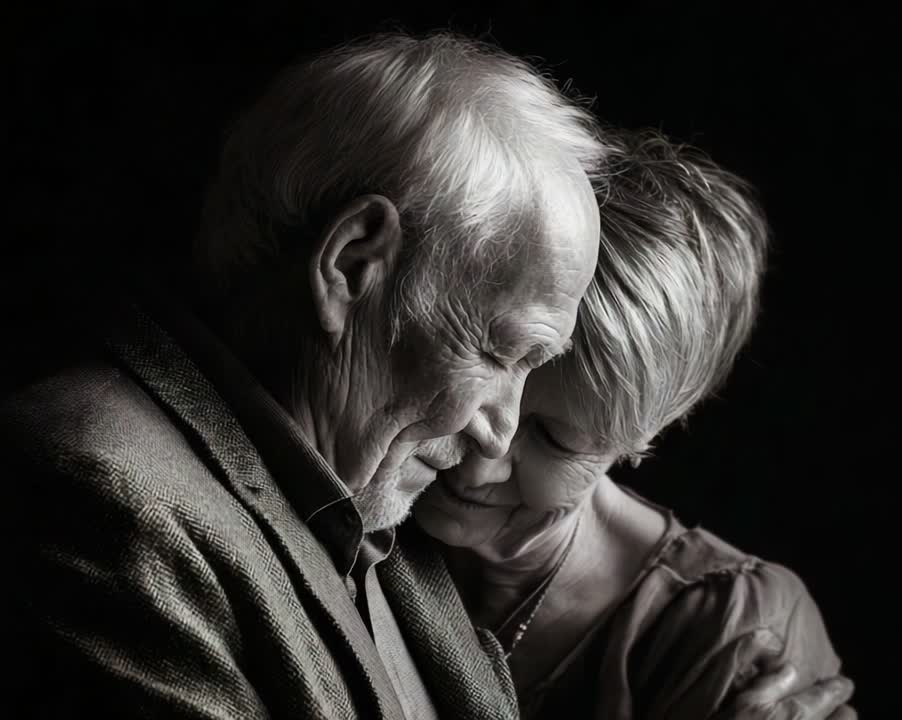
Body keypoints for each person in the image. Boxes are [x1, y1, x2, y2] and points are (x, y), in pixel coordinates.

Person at [0, 33, 606, 719]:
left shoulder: (385, 519)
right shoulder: (98, 498)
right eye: (499, 353)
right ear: (352, 264)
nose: (499, 433)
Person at [411, 129, 857, 719]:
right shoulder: (364, 493)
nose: (481, 463)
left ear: (645, 432)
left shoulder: (731, 635)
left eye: (555, 438)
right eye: (479, 387)